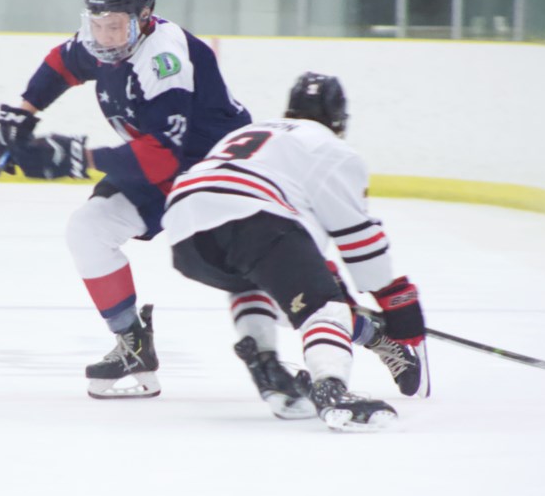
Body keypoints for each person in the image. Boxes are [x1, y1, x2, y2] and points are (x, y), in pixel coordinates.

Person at [0, 0, 251, 399]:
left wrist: (75, 157)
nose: (103, 37)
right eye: (97, 24)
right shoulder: (105, 39)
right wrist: (24, 110)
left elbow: (159, 159)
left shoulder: (164, 59)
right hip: (166, 170)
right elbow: (63, 61)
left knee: (262, 282)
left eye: (114, 26)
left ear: (144, 17)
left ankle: (367, 329)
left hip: (215, 176)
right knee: (89, 229)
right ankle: (132, 343)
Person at [162, 72, 429, 432]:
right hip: (252, 217)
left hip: (183, 225)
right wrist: (392, 296)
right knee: (324, 308)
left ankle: (266, 362)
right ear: (338, 119)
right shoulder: (330, 147)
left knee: (249, 282)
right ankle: (331, 388)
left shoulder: (249, 133)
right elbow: (356, 237)